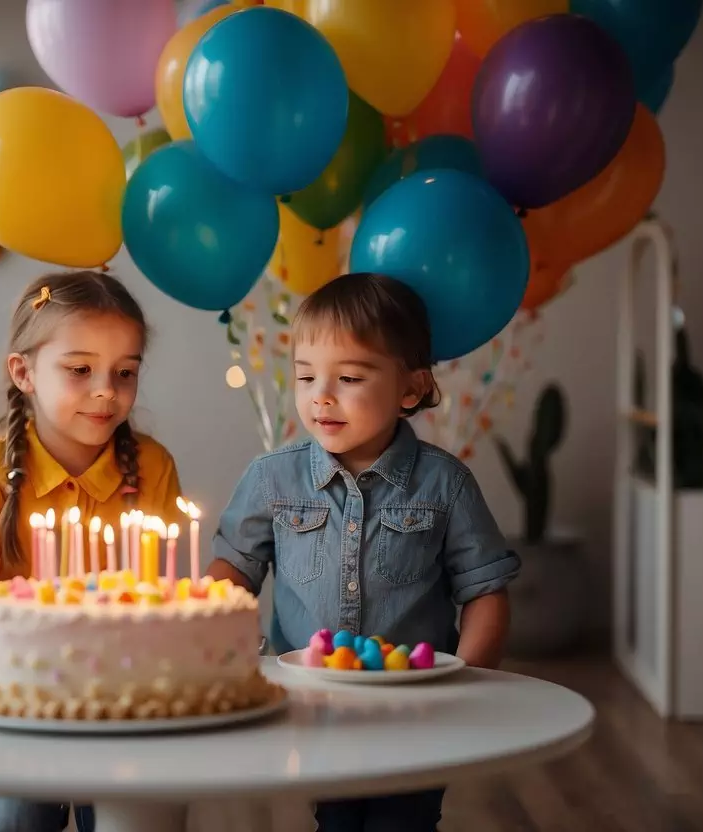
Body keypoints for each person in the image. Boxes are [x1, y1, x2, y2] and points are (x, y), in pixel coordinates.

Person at [208, 272, 521, 831]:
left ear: (410, 388)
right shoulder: (271, 480)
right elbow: (233, 571)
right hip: (311, 704)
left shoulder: (445, 485)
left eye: (349, 377)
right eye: (305, 377)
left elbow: (484, 593)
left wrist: (468, 687)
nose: (321, 396)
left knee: (403, 821)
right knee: (337, 819)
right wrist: (223, 650)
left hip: (415, 710)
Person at [0, 270, 184, 832]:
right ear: (24, 372)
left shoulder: (152, 467)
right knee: (10, 817)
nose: (106, 390)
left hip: (127, 701)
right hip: (18, 702)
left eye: (125, 373)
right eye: (79, 369)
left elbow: (165, 598)